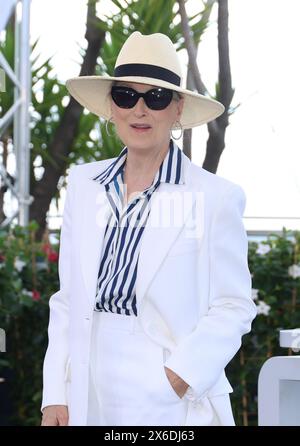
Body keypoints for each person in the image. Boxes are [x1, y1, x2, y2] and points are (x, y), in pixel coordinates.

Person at [41, 31, 257, 426]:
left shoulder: (215, 197)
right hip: (88, 382)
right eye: (126, 96)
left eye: (155, 98)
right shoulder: (83, 185)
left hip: (169, 390)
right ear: (111, 106)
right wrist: (55, 394)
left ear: (177, 110)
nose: (139, 110)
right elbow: (68, 299)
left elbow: (234, 305)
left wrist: (177, 377)